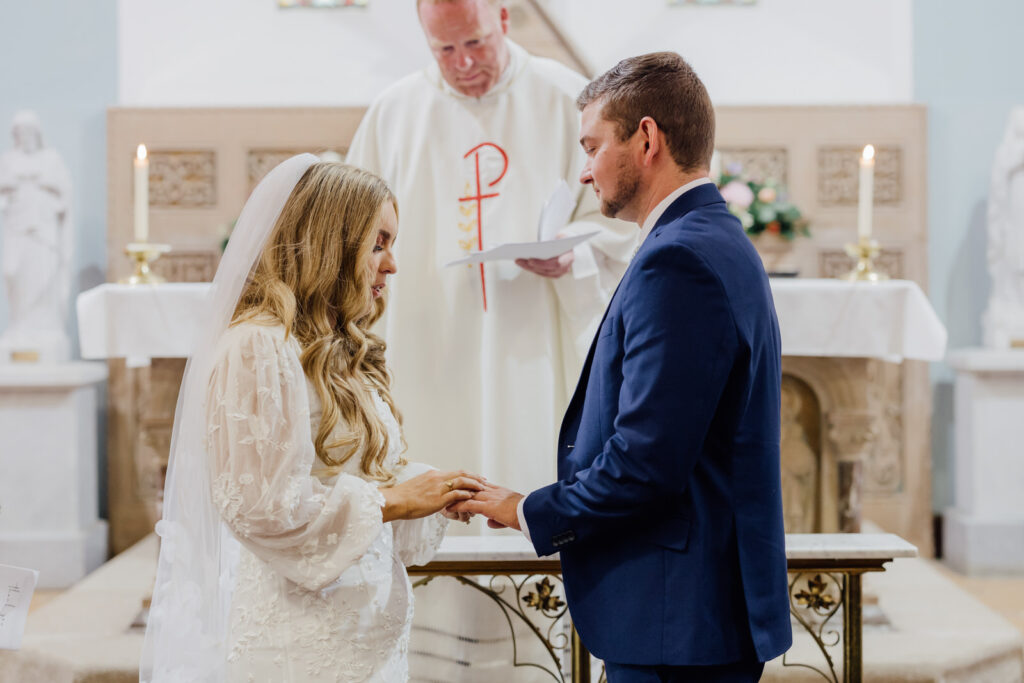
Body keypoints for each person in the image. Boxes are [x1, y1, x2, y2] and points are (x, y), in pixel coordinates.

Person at [454, 53, 793, 681]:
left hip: (676, 618)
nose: (585, 174)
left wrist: (523, 509)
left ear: (646, 138)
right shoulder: (716, 238)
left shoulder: (679, 262)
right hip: (694, 614)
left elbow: (646, 464)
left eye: (591, 147)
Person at [141, 156, 485, 683]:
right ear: (331, 243)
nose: (391, 264)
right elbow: (259, 505)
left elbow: (349, 475)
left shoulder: (339, 350)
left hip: (365, 631)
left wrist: (432, 489)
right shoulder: (257, 346)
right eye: (379, 243)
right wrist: (395, 501)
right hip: (297, 640)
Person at [346, 0, 634, 504]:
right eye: (445, 49)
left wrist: (573, 257)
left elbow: (622, 218)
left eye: (475, 42)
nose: (463, 63)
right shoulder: (394, 113)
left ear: (503, 20)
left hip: (531, 337)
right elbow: (348, 233)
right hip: (426, 338)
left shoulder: (568, 98)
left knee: (528, 450)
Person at [0, 110, 73, 362]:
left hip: (43, 232)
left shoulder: (51, 159)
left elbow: (65, 197)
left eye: (28, 132)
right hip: (17, 229)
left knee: (42, 277)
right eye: (20, 133)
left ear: (37, 133)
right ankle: (20, 326)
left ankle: (44, 328)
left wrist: (44, 183)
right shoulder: (8, 160)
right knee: (14, 274)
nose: (24, 137)